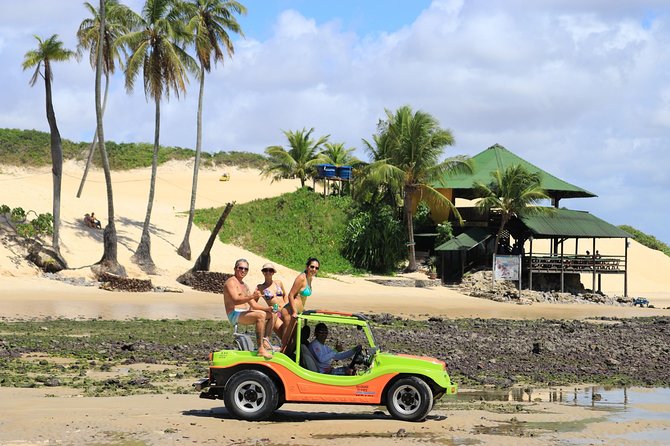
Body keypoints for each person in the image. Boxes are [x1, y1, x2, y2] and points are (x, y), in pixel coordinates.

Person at [223, 258, 274, 359]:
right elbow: (235, 300)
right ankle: (260, 349)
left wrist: (267, 308)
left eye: (246, 269)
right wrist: (252, 296)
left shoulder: (244, 285)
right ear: (235, 268)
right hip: (234, 314)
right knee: (261, 315)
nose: (243, 271)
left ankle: (265, 342)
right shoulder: (231, 282)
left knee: (272, 314)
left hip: (244, 313)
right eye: (241, 268)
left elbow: (254, 305)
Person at [280, 257, 320, 348]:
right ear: (307, 267)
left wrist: (303, 309)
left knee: (295, 341)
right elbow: (291, 295)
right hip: (290, 312)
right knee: (286, 341)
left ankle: (289, 358)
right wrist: (294, 311)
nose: (314, 269)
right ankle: (282, 357)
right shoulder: (301, 278)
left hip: (298, 312)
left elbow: (302, 298)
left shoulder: (310, 279)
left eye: (316, 268)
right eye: (312, 267)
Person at [256, 262, 286, 345]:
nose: (268, 272)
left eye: (270, 270)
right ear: (263, 272)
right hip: (276, 314)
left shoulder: (278, 283)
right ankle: (265, 341)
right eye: (266, 270)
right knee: (284, 336)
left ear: (273, 272)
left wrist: (288, 306)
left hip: (286, 311)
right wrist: (265, 310)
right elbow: (253, 303)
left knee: (292, 334)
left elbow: (285, 295)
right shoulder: (260, 287)